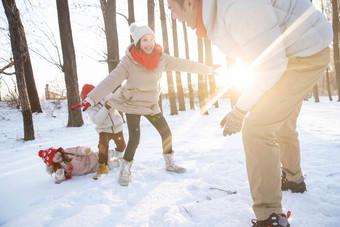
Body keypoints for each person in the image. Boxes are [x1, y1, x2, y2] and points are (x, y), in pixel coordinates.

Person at [167, 0, 332, 226]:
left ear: (187, 3)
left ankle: (270, 216)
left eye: (171, 8)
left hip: (305, 52)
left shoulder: (235, 6)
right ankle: (294, 179)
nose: (172, 15)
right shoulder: (217, 13)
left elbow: (271, 63)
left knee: (257, 129)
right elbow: (257, 58)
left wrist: (240, 110)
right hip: (294, 50)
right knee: (279, 120)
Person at [77, 23, 218, 186]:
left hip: (151, 103)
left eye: (151, 39)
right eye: (145, 40)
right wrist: (91, 98)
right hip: (132, 103)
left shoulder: (162, 58)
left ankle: (170, 164)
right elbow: (111, 81)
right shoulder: (128, 62)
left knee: (166, 133)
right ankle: (125, 170)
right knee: (135, 139)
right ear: (138, 42)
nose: (149, 43)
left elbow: (184, 64)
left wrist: (208, 70)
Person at [80, 84, 126, 180]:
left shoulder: (106, 95)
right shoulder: (90, 108)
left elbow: (115, 100)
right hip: (104, 130)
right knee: (103, 148)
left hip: (117, 126)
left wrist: (113, 100)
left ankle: (119, 153)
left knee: (122, 145)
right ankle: (103, 166)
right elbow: (97, 120)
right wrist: (106, 108)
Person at [38, 146, 118, 184]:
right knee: (106, 165)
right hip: (91, 168)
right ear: (52, 162)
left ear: (58, 151)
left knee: (104, 154)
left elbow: (77, 150)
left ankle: (116, 153)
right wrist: (60, 175)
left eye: (56, 154)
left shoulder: (67, 151)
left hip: (91, 157)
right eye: (54, 157)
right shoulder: (60, 168)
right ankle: (117, 163)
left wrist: (84, 150)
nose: (56, 156)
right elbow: (60, 180)